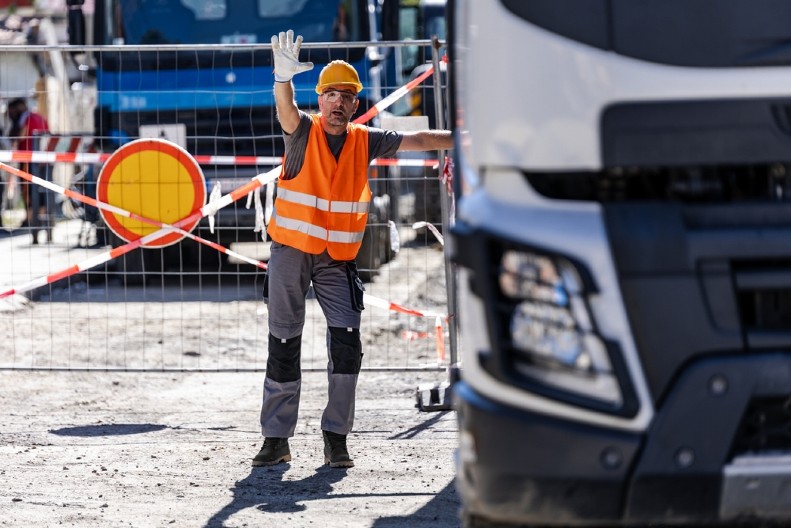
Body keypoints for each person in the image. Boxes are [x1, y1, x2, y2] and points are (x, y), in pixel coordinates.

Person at [253, 30, 453, 468]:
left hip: (337, 261)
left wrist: (466, 139)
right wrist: (281, 79)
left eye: (347, 96)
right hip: (291, 252)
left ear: (355, 105)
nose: (338, 103)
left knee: (347, 343)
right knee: (283, 342)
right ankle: (276, 439)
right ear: (320, 99)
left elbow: (419, 141)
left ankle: (336, 436)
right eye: (331, 95)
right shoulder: (301, 131)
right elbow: (285, 110)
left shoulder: (366, 140)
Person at [6, 97, 51, 244]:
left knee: (28, 190)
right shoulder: (39, 116)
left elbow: (20, 136)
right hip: (43, 159)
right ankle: (43, 219)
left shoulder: (25, 118)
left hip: (28, 159)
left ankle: (32, 219)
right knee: (42, 190)